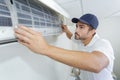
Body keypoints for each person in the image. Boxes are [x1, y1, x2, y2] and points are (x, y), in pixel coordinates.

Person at [14, 13, 115, 80]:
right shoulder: (81, 39)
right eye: (76, 26)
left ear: (92, 31)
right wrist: (66, 30)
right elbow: (71, 36)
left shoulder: (103, 43)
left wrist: (45, 48)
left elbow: (96, 64)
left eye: (81, 27)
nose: (76, 30)